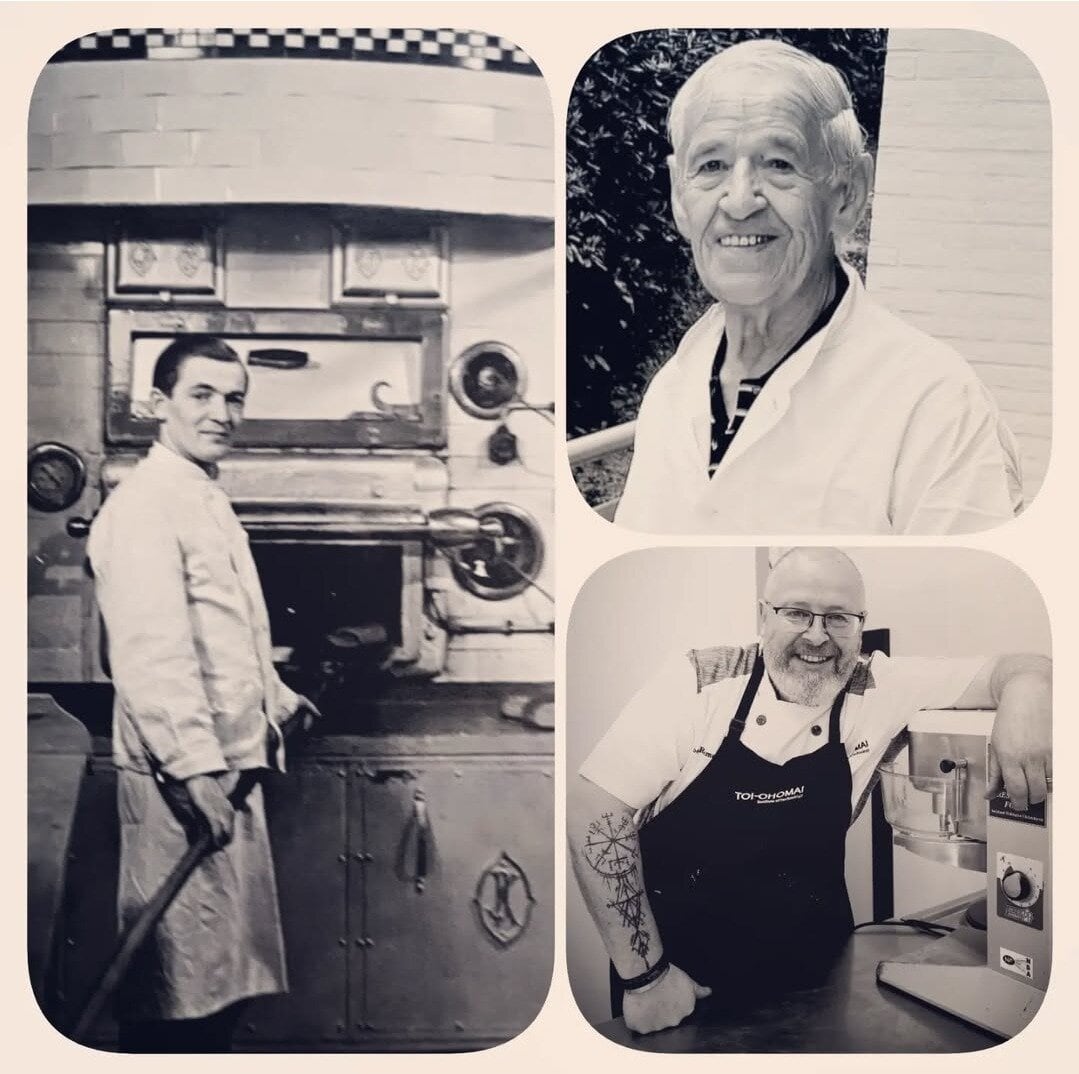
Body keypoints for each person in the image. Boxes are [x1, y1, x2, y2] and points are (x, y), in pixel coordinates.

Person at [568, 547, 1051, 1035]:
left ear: (860, 624)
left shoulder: (879, 684)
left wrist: (1027, 697)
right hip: (680, 980)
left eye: (838, 618)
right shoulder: (701, 681)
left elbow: (1019, 666)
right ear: (763, 616)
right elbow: (593, 810)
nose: (817, 636)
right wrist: (646, 980)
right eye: (796, 613)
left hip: (817, 974)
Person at [613, 39, 1023, 535]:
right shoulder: (671, 391)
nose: (739, 200)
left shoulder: (938, 406)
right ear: (681, 195)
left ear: (848, 194)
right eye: (712, 165)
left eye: (779, 164)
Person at [87, 336, 319, 1052]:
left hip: (224, 773)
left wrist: (276, 698)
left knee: (214, 981)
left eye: (234, 397)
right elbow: (154, 657)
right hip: (181, 782)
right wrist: (194, 775)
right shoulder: (144, 508)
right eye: (202, 394)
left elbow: (225, 630)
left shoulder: (200, 496)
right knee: (174, 990)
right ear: (158, 404)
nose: (222, 412)